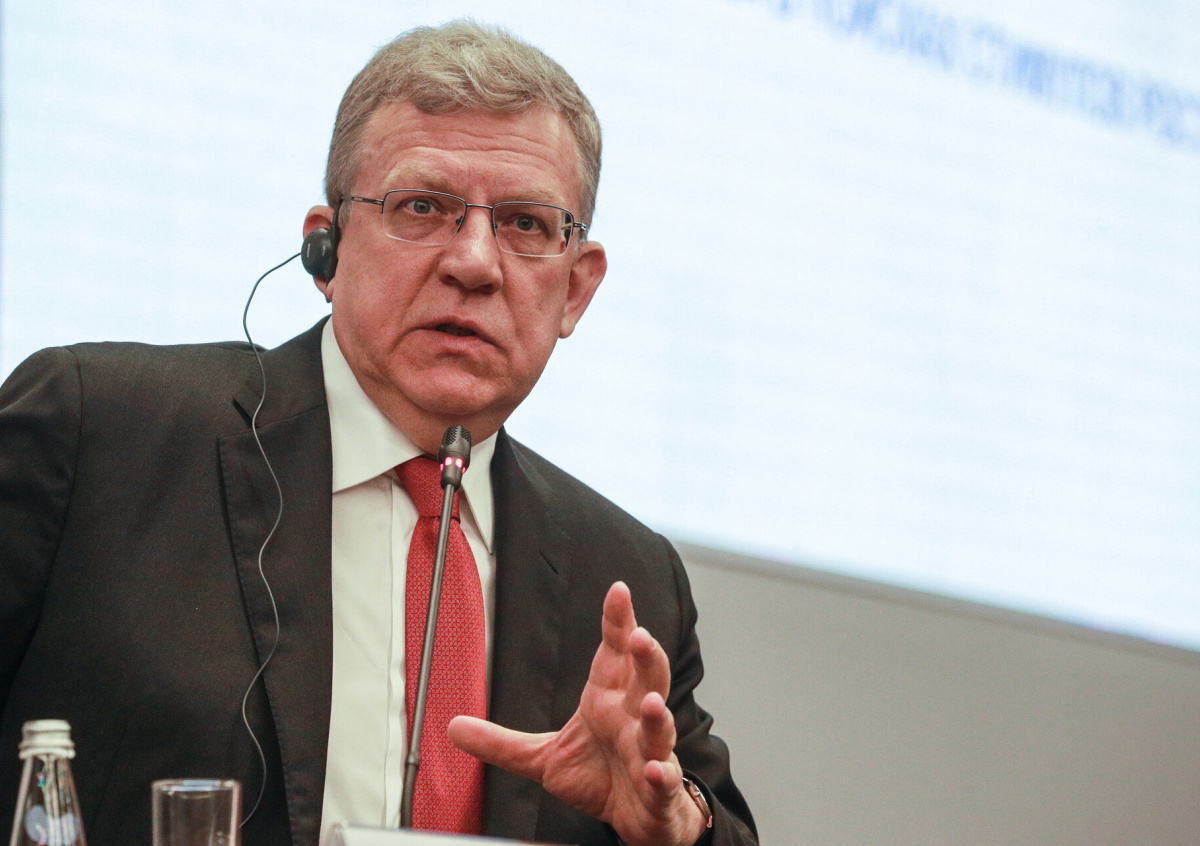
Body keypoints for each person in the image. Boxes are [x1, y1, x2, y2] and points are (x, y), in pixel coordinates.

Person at [0, 21, 757, 846]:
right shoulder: (98, 435)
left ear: (576, 289)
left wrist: (674, 822)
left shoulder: (624, 577)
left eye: (526, 225)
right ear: (325, 251)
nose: (475, 263)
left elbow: (714, 824)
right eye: (422, 207)